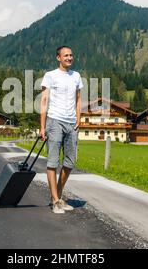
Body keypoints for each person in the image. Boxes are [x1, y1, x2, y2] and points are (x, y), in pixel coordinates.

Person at [40, 45, 83, 214]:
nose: (69, 58)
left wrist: (78, 119)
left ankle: (57, 196)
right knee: (53, 162)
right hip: (54, 121)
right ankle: (55, 200)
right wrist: (42, 126)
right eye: (66, 55)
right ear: (58, 58)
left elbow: (78, 99)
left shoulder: (76, 76)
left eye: (71, 55)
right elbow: (44, 101)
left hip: (72, 124)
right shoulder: (50, 76)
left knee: (69, 162)